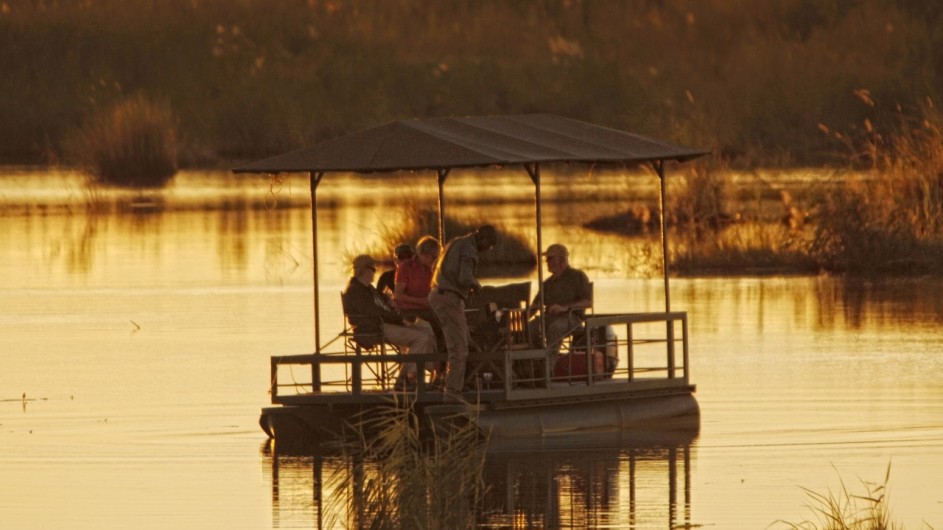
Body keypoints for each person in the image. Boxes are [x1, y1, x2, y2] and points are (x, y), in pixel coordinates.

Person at [343, 254, 436, 387]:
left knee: (426, 328)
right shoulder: (356, 290)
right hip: (376, 327)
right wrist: (400, 320)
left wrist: (391, 306)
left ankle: (434, 369)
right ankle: (405, 378)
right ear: (364, 270)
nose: (375, 271)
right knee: (421, 338)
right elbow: (375, 313)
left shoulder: (368, 288)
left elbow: (382, 308)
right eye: (373, 268)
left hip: (385, 323)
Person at [428, 225, 498, 398]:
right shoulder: (470, 249)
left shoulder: (456, 241)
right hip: (449, 298)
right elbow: (464, 277)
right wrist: (476, 285)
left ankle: (453, 381)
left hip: (436, 294)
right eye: (488, 246)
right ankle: (452, 391)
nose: (487, 250)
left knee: (463, 339)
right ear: (482, 239)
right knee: (459, 348)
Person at [529, 243, 593, 365]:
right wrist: (522, 319)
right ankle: (536, 364)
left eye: (550, 258)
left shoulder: (577, 276)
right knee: (530, 328)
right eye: (547, 259)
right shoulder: (547, 283)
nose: (547, 261)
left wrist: (565, 308)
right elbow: (535, 305)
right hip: (548, 318)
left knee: (556, 327)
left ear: (562, 259)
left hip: (571, 318)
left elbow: (588, 302)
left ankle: (549, 367)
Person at [394, 235, 445, 351]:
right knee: (437, 326)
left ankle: (441, 361)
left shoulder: (433, 271)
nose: (435, 261)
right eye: (434, 258)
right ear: (424, 255)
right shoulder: (405, 267)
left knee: (449, 322)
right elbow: (398, 295)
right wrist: (421, 301)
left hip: (428, 311)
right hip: (408, 312)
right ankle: (435, 361)